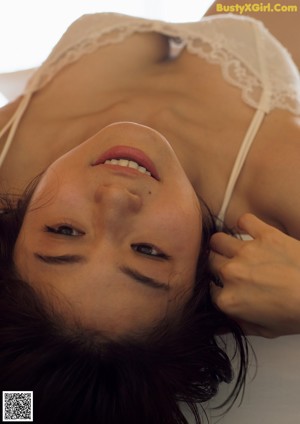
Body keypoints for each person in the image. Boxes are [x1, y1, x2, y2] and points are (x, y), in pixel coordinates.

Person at [0, 0, 299, 422]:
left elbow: (12, 412)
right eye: (148, 252)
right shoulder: (278, 182)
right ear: (203, 274)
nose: (117, 199)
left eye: (65, 231)